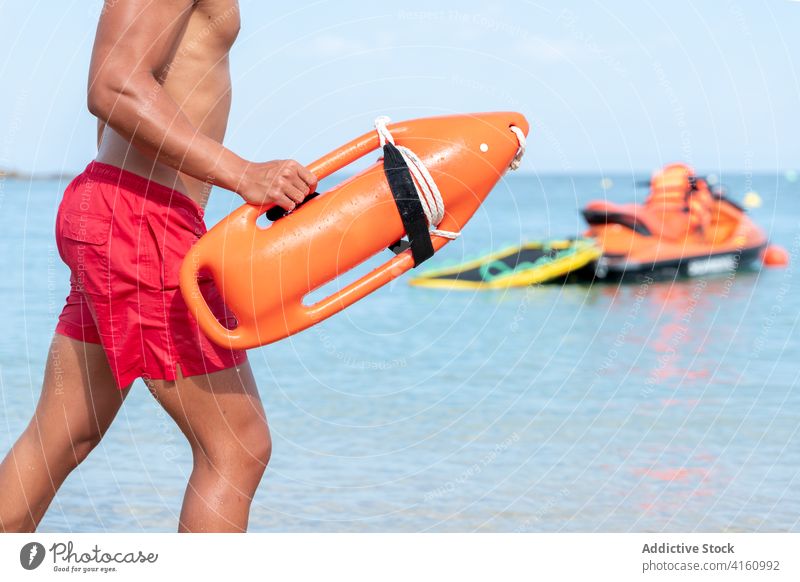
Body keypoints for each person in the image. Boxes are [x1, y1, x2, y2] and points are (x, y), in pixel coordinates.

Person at [0, 0, 317, 533]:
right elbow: (113, 84)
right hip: (140, 220)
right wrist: (242, 174)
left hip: (127, 214)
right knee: (236, 447)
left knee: (65, 433)